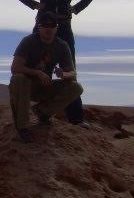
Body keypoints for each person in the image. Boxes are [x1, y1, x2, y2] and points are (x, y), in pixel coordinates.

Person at [8, 0, 97, 128]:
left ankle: (75, 119)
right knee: (32, 65)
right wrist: (33, 4)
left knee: (70, 69)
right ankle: (24, 117)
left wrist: (77, 7)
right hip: (43, 22)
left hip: (63, 24)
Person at [9, 12, 83, 143]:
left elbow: (73, 73)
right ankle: (22, 127)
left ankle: (43, 112)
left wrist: (64, 74)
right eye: (45, 25)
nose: (48, 28)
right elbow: (15, 68)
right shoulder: (28, 41)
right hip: (26, 88)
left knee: (76, 88)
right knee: (18, 78)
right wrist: (37, 73)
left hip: (45, 86)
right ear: (39, 27)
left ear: (56, 27)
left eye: (52, 25)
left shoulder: (62, 45)